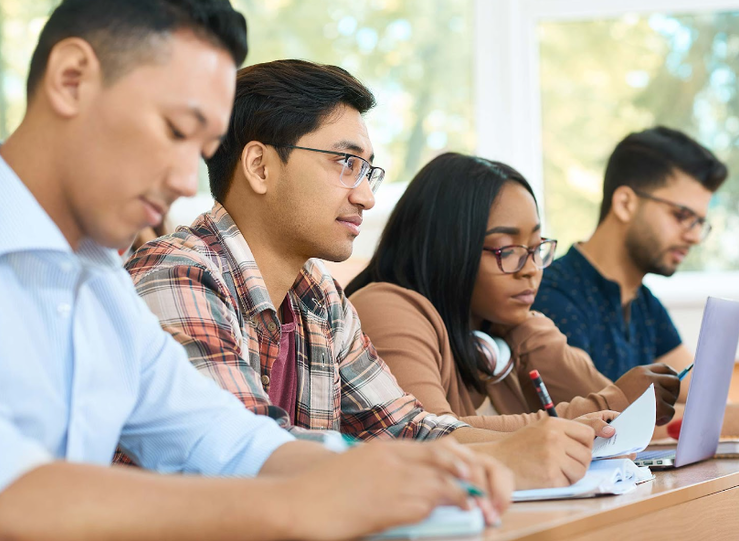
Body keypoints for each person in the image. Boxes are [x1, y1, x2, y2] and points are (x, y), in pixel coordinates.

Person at [0, 2, 513, 539]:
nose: (183, 178)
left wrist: (403, 470)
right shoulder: (166, 271)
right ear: (72, 79)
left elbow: (223, 437)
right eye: (177, 129)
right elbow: (15, 488)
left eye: (200, 149)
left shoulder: (100, 281)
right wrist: (300, 504)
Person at [124, 59, 611, 490]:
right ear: (259, 166)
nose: (366, 196)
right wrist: (497, 459)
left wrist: (542, 443)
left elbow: (404, 426)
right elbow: (243, 457)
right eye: (346, 163)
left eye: (367, 171)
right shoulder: (180, 274)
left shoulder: (320, 299)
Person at [346, 153, 681, 431]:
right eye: (507, 250)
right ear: (446, 249)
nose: (531, 268)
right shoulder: (385, 306)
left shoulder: (501, 328)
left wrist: (532, 335)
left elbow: (625, 419)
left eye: (536, 247)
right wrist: (612, 402)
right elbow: (430, 434)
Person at [532, 127, 727, 397]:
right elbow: (606, 422)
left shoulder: (645, 304)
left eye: (700, 223)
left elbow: (705, 399)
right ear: (625, 203)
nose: (694, 236)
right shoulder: (551, 295)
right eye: (682, 215)